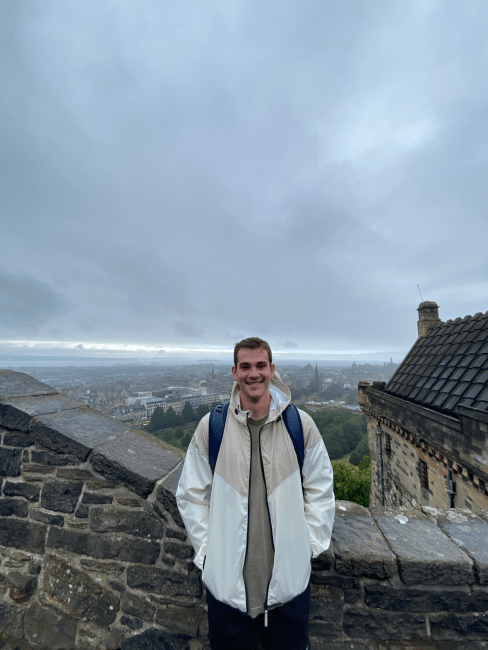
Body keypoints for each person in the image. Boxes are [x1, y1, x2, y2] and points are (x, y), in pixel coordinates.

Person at [176, 337, 335, 650]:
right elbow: (191, 494)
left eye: (261, 365)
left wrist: (308, 548)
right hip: (226, 592)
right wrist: (208, 554)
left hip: (287, 590)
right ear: (234, 372)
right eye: (245, 366)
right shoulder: (212, 427)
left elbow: (321, 489)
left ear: (272, 370)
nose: (254, 374)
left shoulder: (300, 425)